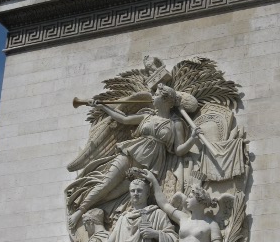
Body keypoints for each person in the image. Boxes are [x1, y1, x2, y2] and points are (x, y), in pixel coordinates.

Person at [68, 83, 200, 229]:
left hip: (148, 165)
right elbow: (124, 119)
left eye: (156, 95)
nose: (153, 97)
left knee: (115, 194)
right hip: (131, 153)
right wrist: (103, 107)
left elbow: (179, 150)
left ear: (165, 100)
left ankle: (93, 210)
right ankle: (79, 212)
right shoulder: (148, 116)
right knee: (105, 184)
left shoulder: (175, 124)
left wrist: (192, 139)